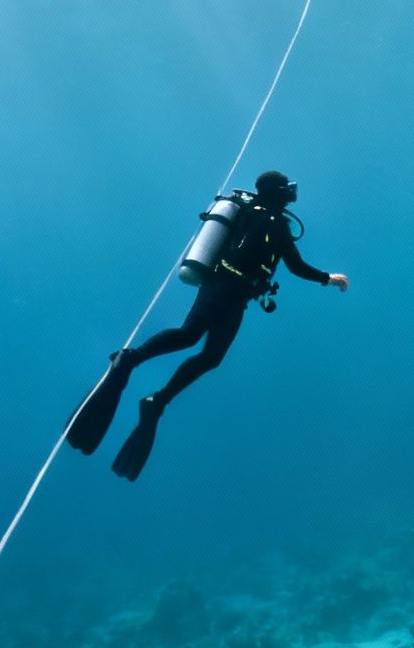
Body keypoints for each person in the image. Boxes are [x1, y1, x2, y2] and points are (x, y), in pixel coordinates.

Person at [67, 170, 348, 481]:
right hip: (229, 290)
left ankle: (149, 387)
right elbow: (295, 266)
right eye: (287, 189)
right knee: (199, 345)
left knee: (202, 347)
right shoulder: (272, 222)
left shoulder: (251, 214)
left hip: (225, 288)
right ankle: (139, 373)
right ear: (277, 192)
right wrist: (328, 278)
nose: (292, 193)